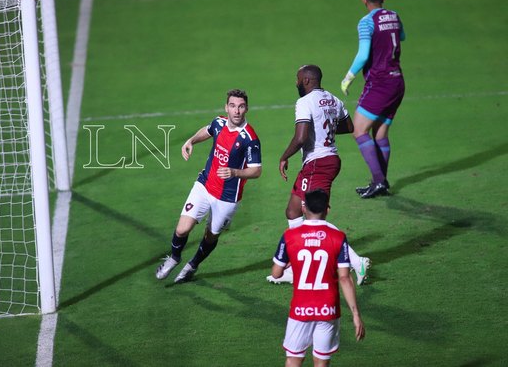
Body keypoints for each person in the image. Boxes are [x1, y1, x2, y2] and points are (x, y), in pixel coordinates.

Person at [267, 65, 370, 285]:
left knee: (315, 217)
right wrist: (327, 128)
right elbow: (349, 126)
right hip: (326, 161)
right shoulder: (334, 100)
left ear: (306, 81)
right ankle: (295, 266)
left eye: (297, 80)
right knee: (293, 211)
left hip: (318, 163)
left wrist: (284, 156)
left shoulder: (305, 102)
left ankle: (355, 260)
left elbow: (301, 137)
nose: (296, 83)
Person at [155, 89, 262, 283]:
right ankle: (174, 258)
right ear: (226, 108)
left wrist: (234, 172)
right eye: (233, 106)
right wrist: (191, 141)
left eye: (241, 106)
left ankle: (192, 265)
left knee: (211, 236)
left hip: (228, 197)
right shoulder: (219, 122)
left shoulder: (249, 138)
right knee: (182, 229)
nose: (237, 111)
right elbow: (208, 130)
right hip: (205, 185)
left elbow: (256, 170)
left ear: (246, 108)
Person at [271, 189, 365, 367]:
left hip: (300, 309)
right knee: (321, 361)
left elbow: (276, 273)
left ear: (304, 208)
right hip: (328, 309)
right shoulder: (338, 237)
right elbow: (345, 278)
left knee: (293, 359)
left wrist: (289, 262)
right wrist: (356, 314)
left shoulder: (290, 236)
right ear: (327, 210)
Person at [340, 0, 406, 199]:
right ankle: (380, 183)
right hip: (397, 82)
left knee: (358, 130)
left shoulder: (366, 22)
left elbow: (363, 54)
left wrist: (348, 77)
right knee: (380, 133)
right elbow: (401, 37)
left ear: (364, 0)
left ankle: (379, 180)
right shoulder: (394, 16)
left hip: (380, 84)